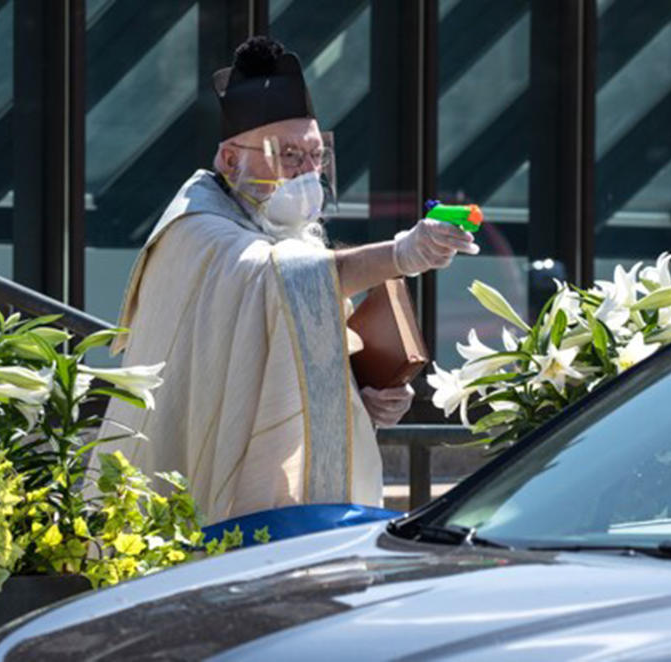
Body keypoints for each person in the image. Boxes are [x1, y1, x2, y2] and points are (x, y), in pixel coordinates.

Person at [101, 36, 477, 524]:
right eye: (288, 155)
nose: (307, 173)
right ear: (231, 160)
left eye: (316, 156)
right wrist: (401, 254)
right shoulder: (195, 229)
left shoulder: (286, 231)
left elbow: (290, 349)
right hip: (200, 473)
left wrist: (361, 397)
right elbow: (283, 281)